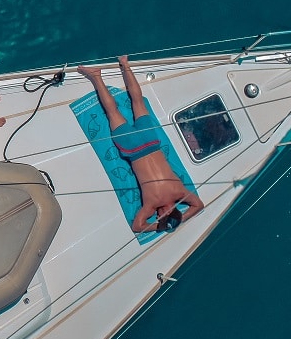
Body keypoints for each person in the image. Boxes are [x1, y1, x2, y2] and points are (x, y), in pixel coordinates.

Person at [77, 56, 204, 233]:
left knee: (137, 101)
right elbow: (137, 227)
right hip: (133, 148)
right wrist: (158, 227)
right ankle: (96, 76)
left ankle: (124, 63)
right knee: (111, 111)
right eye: (161, 218)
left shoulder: (180, 192)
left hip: (151, 142)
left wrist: (179, 219)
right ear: (167, 212)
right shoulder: (152, 205)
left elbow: (198, 205)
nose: (158, 216)